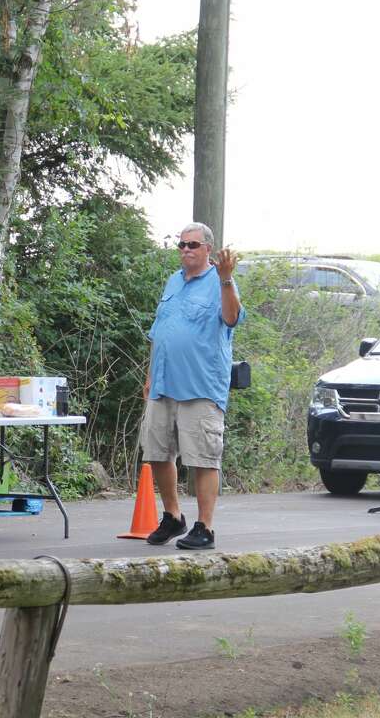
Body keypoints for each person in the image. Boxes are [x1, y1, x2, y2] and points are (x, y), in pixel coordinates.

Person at [141, 222, 243, 550]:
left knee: (202, 458)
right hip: (164, 381)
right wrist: (149, 375)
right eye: (182, 245)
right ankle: (173, 517)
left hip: (200, 386)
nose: (186, 250)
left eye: (193, 245)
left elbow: (230, 318)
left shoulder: (221, 282)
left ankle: (205, 527)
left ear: (208, 250)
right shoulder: (173, 281)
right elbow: (159, 331)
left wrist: (226, 278)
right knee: (156, 452)